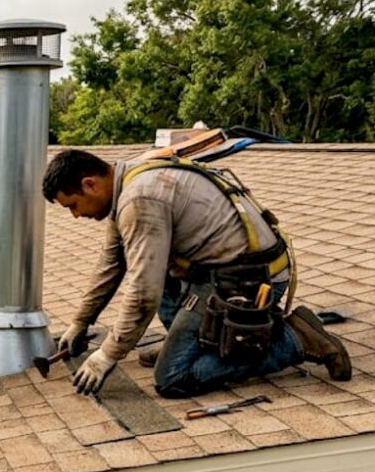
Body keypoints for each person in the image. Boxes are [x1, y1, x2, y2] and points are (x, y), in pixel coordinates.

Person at [42, 149, 350, 398]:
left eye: (73, 205)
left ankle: (296, 339)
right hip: (219, 270)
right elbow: (112, 262)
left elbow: (143, 294)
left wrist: (107, 355)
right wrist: (81, 322)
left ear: (89, 183)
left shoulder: (139, 200)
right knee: (149, 264)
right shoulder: (130, 181)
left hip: (248, 280)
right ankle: (192, 342)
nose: (77, 215)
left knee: (173, 378)